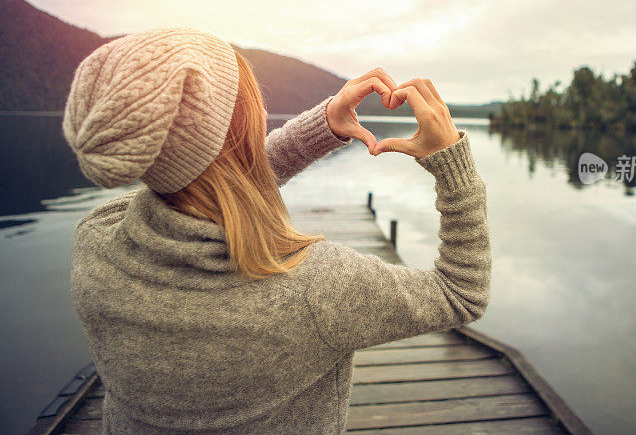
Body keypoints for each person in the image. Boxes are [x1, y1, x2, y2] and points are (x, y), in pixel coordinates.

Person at [62, 27, 491, 434]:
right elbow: (462, 292)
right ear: (244, 127)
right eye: (251, 100)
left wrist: (324, 126)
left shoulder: (97, 243)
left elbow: (208, 179)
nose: (263, 109)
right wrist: (452, 164)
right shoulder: (314, 289)